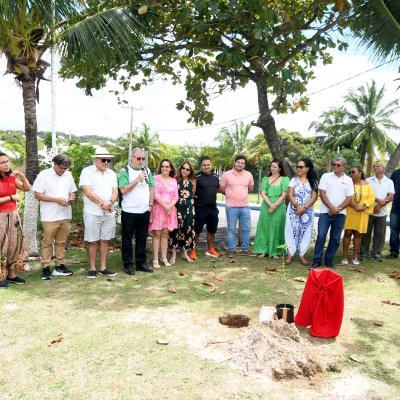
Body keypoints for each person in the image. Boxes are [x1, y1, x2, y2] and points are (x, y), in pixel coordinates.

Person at [33, 154, 77, 280]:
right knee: (47, 242)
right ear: (54, 163)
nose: (63, 170)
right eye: (61, 167)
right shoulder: (44, 174)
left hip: (65, 214)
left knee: (61, 242)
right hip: (50, 215)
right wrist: (56, 199)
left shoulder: (68, 175)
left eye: (66, 168)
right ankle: (46, 267)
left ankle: (59, 266)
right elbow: (37, 194)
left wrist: (71, 197)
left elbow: (72, 191)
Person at [79, 147, 118, 278]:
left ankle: (103, 267)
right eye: (104, 160)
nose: (107, 162)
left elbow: (115, 191)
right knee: (92, 241)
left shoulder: (111, 173)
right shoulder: (87, 172)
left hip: (109, 212)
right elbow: (88, 192)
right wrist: (105, 204)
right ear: (96, 159)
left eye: (108, 160)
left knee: (105, 240)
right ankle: (92, 268)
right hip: (92, 212)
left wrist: (110, 203)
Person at [312, 157, 354, 269]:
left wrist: (338, 209)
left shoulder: (348, 180)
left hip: (340, 215)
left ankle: (329, 260)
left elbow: (350, 198)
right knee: (321, 237)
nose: (335, 166)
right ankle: (316, 260)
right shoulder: (326, 176)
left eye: (338, 165)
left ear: (344, 166)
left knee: (335, 238)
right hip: (326, 213)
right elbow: (322, 194)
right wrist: (332, 208)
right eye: (334, 164)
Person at [119, 148, 154, 274]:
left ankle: (141, 263)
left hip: (144, 211)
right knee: (127, 239)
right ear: (132, 158)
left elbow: (151, 189)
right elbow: (123, 190)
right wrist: (137, 180)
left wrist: (150, 206)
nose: (141, 161)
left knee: (142, 238)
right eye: (138, 158)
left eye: (143, 159)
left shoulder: (147, 170)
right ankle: (128, 264)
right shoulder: (125, 171)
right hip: (129, 211)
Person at [0, 152, 30, 287]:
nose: (6, 164)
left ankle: (12, 275)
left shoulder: (11, 178)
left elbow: (26, 188)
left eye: (7, 161)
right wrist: (12, 198)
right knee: (2, 246)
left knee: (15, 244)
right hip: (1, 216)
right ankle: (1, 277)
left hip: (13, 215)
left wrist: (22, 176)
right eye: (2, 162)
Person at [284, 158, 318, 266]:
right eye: (297, 166)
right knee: (290, 230)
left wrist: (303, 209)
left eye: (301, 167)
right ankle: (289, 254)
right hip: (293, 211)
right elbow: (290, 195)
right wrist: (297, 206)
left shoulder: (314, 182)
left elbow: (314, 198)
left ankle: (302, 256)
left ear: (307, 168)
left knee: (305, 231)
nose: (298, 169)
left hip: (307, 212)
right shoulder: (293, 180)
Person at [219, 155, 254, 257]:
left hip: (245, 207)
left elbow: (250, 189)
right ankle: (231, 250)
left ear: (244, 164)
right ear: (235, 162)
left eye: (242, 163)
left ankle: (245, 250)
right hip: (231, 206)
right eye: (238, 162)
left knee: (247, 229)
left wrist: (239, 194)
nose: (240, 164)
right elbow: (221, 188)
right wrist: (231, 194)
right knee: (231, 229)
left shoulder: (248, 175)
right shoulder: (226, 175)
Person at [254, 159, 289, 260]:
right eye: (271, 166)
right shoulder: (265, 179)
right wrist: (270, 205)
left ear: (280, 168)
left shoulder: (285, 179)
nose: (272, 168)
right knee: (264, 227)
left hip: (279, 207)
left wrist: (275, 206)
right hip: (266, 206)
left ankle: (276, 251)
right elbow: (262, 193)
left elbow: (284, 194)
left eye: (275, 167)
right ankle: (262, 250)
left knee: (277, 228)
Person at [360, 162, 394, 262]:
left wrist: (379, 205)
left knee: (380, 233)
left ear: (384, 168)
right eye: (374, 166)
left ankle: (376, 254)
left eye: (378, 166)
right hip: (368, 210)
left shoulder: (389, 182)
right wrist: (379, 200)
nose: (375, 167)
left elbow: (390, 196)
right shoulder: (368, 180)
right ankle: (363, 253)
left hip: (382, 212)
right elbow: (366, 195)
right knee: (366, 233)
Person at [342, 166, 375, 265]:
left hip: (362, 213)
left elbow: (371, 198)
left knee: (358, 234)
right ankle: (344, 256)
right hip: (350, 211)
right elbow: (345, 196)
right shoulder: (348, 183)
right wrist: (354, 205)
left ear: (360, 173)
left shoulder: (367, 185)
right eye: (350, 172)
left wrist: (364, 206)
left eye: (353, 172)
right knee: (347, 233)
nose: (351, 173)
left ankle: (355, 256)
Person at [148, 159, 178, 268]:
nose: (164, 168)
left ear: (170, 168)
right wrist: (165, 206)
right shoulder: (155, 179)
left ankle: (164, 258)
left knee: (165, 234)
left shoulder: (173, 180)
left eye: (167, 166)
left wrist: (170, 206)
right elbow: (155, 195)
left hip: (170, 211)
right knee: (157, 234)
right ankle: (155, 259)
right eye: (163, 166)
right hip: (158, 210)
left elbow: (176, 196)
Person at [190, 156, 220, 259]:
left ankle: (210, 249)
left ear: (211, 165)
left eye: (208, 165)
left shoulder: (216, 177)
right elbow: (192, 193)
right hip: (200, 209)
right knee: (197, 231)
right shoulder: (196, 177)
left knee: (212, 231)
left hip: (213, 209)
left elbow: (217, 190)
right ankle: (193, 250)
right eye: (204, 165)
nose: (206, 167)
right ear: (201, 166)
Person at [169, 161, 196, 264]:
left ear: (190, 171)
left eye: (187, 169)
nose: (185, 170)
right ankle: (174, 255)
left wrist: (188, 204)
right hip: (177, 206)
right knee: (175, 230)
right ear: (180, 169)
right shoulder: (176, 179)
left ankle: (185, 253)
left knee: (188, 229)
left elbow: (192, 194)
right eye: (183, 168)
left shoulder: (193, 181)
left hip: (189, 206)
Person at [387, 166, 400, 259]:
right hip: (396, 207)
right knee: (394, 230)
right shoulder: (396, 173)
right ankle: (394, 252)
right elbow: (390, 189)